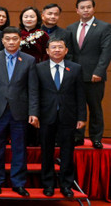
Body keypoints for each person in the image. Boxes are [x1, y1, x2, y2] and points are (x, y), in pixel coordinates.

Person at [0, 27, 39, 196]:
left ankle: (18, 183)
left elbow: (33, 89)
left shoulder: (29, 60)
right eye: (7, 39)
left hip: (20, 112)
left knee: (19, 149)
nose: (11, 42)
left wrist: (33, 111)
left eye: (14, 39)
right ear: (2, 40)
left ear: (20, 40)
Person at [36, 38, 86, 198]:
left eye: (60, 47)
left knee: (67, 151)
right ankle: (48, 184)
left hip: (68, 116)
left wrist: (81, 117)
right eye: (53, 47)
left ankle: (66, 185)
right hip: (46, 116)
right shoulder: (39, 68)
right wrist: (35, 114)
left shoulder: (76, 68)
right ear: (47, 51)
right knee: (46, 151)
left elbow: (80, 94)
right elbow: (35, 93)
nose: (57, 50)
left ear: (66, 51)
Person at [65, 0, 111, 149]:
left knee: (95, 107)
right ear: (77, 10)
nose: (86, 10)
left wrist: (99, 71)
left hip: (94, 76)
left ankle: (96, 138)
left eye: (89, 7)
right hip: (75, 75)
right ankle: (78, 136)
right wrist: (69, 72)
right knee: (77, 108)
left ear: (93, 8)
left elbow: (106, 52)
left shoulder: (104, 27)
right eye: (82, 7)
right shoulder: (70, 28)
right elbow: (69, 52)